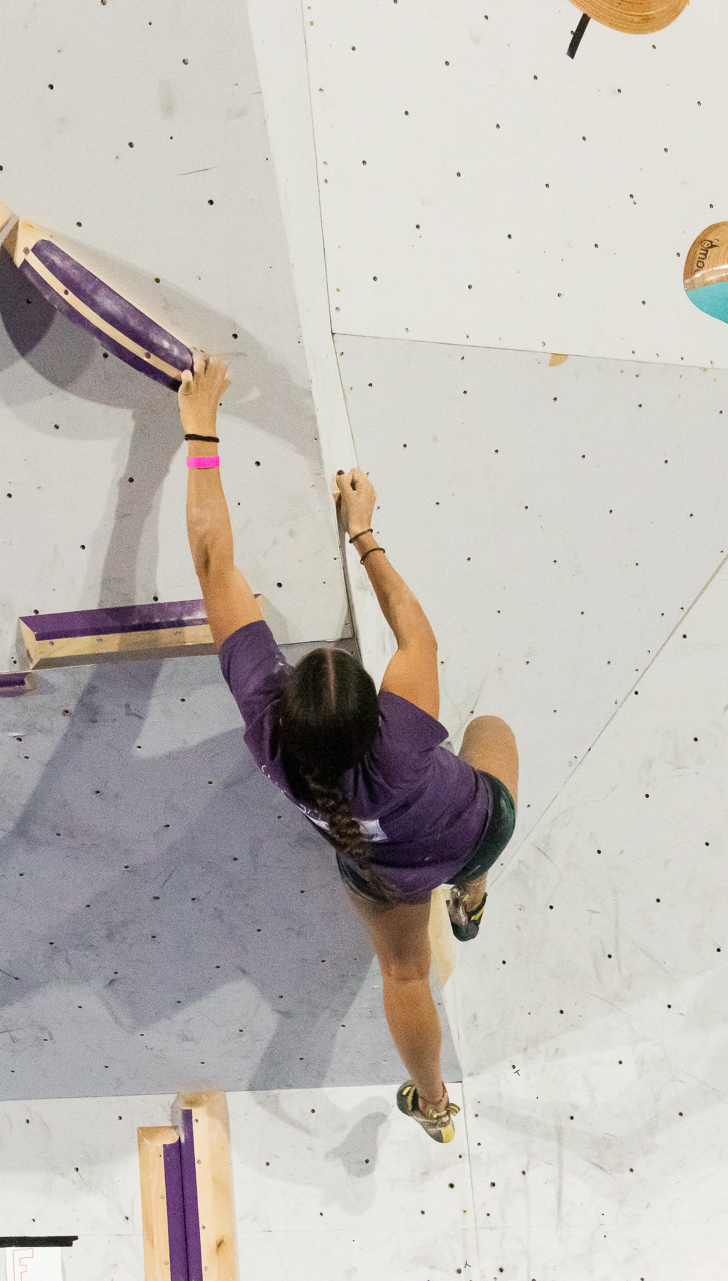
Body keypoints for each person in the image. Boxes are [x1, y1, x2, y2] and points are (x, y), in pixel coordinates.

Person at [178, 351, 519, 1143]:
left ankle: (435, 1103)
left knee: (404, 972)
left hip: (381, 871)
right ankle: (472, 892)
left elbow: (213, 562)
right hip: (472, 829)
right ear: (380, 709)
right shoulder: (406, 729)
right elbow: (416, 632)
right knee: (492, 731)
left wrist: (200, 431)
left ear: (286, 710)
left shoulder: (270, 736)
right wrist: (363, 532)